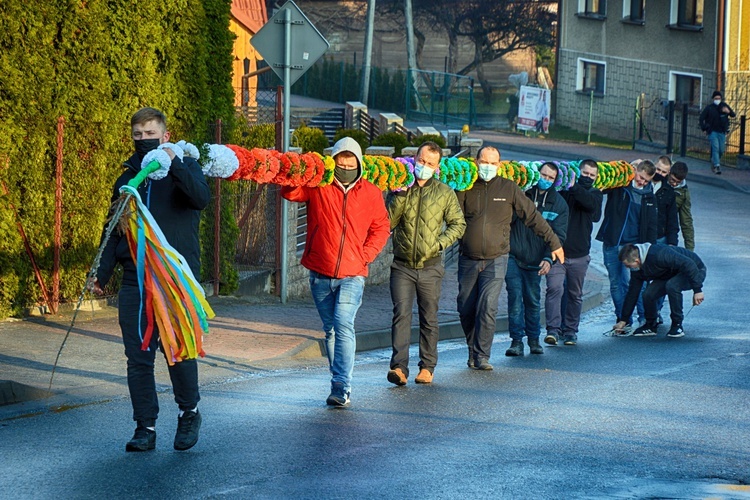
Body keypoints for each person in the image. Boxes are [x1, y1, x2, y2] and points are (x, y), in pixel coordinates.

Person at [92, 107, 210, 452]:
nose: (144, 140)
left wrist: (175, 164)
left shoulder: (186, 168)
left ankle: (189, 413)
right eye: (138, 135)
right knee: (138, 356)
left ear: (166, 135)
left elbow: (201, 199)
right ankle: (145, 427)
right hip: (135, 280)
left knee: (178, 351)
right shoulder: (127, 178)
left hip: (176, 280)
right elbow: (114, 230)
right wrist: (100, 273)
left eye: (150, 133)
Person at [281, 137, 390, 408]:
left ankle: (342, 385)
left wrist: (365, 256)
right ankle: (337, 381)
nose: (345, 167)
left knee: (343, 324)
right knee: (330, 330)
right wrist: (300, 169)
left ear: (359, 164)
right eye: (340, 162)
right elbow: (291, 193)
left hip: (353, 274)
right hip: (320, 271)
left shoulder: (371, 193)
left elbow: (381, 227)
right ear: (333, 162)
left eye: (350, 163)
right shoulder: (319, 185)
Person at [456, 147, 563, 370]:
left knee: (488, 306)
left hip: (497, 259)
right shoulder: (465, 187)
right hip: (468, 258)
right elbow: (450, 215)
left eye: (492, 163)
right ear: (476, 162)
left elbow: (533, 217)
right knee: (466, 307)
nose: (487, 166)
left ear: (499, 165)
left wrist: (554, 243)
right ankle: (471, 347)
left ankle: (482, 355)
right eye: (483, 161)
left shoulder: (508, 188)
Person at [386, 141, 466, 385]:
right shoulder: (401, 187)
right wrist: (399, 194)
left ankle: (427, 366)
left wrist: (439, 244)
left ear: (437, 165)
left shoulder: (444, 192)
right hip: (402, 265)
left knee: (428, 316)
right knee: (401, 315)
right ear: (414, 159)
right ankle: (399, 368)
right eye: (421, 161)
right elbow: (388, 223)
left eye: (430, 163)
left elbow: (458, 224)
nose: (424, 166)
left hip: (430, 266)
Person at [505, 162, 568, 357]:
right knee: (515, 298)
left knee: (532, 300)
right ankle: (516, 341)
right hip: (514, 255)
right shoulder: (523, 194)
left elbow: (559, 235)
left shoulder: (559, 205)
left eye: (550, 178)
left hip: (537, 260)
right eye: (543, 175)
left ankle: (534, 339)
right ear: (537, 174)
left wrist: (549, 258)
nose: (546, 180)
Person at [544, 159, 602, 347]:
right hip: (558, 252)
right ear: (579, 172)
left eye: (592, 175)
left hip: (579, 254)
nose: (588, 178)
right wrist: (568, 186)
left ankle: (570, 331)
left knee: (575, 294)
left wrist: (575, 186)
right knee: (554, 289)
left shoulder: (594, 193)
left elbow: (592, 208)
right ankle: (553, 330)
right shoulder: (565, 192)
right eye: (585, 173)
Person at [595, 160, 658, 332]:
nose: (642, 182)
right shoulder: (620, 185)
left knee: (640, 283)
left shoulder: (649, 196)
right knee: (617, 283)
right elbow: (603, 184)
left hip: (636, 247)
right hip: (613, 242)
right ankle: (624, 319)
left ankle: (645, 318)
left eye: (646, 181)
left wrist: (649, 248)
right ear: (635, 171)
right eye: (641, 177)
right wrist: (623, 170)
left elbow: (652, 224)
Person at [613, 243, 706, 338]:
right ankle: (650, 325)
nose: (628, 268)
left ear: (637, 261)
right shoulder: (637, 270)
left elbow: (689, 264)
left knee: (672, 286)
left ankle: (677, 325)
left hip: (695, 270)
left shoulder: (660, 254)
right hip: (671, 273)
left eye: (628, 265)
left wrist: (697, 290)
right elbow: (632, 293)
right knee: (648, 294)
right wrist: (623, 320)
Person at [699, 90, 735, 175]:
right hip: (712, 131)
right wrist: (704, 129)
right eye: (716, 98)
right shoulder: (709, 108)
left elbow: (733, 115)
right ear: (713, 99)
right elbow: (701, 118)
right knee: (715, 148)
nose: (717, 100)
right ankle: (717, 166)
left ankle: (714, 160)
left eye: (719, 98)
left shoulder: (724, 106)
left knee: (721, 150)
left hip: (722, 132)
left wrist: (728, 112)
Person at [652, 156, 679, 246]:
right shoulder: (642, 184)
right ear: (653, 166)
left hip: (660, 238)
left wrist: (672, 242)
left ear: (668, 173)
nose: (659, 173)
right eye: (658, 169)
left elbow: (672, 219)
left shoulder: (669, 192)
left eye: (663, 172)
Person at [668, 162, 695, 251]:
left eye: (678, 182)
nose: (674, 184)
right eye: (672, 180)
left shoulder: (683, 193)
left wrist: (690, 250)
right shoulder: (660, 181)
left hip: (668, 232)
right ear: (669, 172)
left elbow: (686, 221)